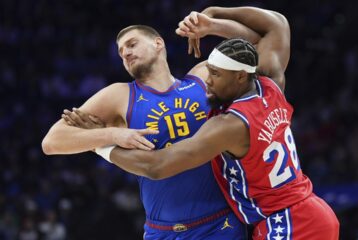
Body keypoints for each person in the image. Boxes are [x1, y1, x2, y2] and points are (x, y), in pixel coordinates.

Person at [74, 7, 340, 239]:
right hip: (305, 210)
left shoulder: (230, 125)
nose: (207, 82)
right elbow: (276, 25)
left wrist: (101, 144)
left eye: (215, 74)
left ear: (238, 78)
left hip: (287, 220)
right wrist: (212, 18)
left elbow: (157, 166)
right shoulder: (270, 84)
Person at [42, 6, 268, 239]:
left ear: (158, 43)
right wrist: (113, 135)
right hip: (162, 231)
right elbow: (52, 142)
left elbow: (257, 46)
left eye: (131, 44)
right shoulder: (119, 95)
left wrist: (212, 25)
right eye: (120, 53)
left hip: (220, 224)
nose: (125, 54)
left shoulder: (203, 77)